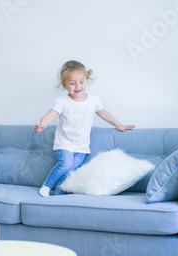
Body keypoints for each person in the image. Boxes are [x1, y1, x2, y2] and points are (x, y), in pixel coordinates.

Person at [35, 60, 134, 197]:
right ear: (64, 85)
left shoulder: (93, 100)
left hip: (82, 146)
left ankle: (58, 196)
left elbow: (103, 113)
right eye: (72, 83)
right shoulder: (62, 101)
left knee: (71, 172)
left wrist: (119, 125)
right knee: (65, 164)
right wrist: (42, 124)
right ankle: (46, 186)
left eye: (81, 82)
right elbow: (51, 115)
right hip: (64, 143)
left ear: (87, 80)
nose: (77, 86)